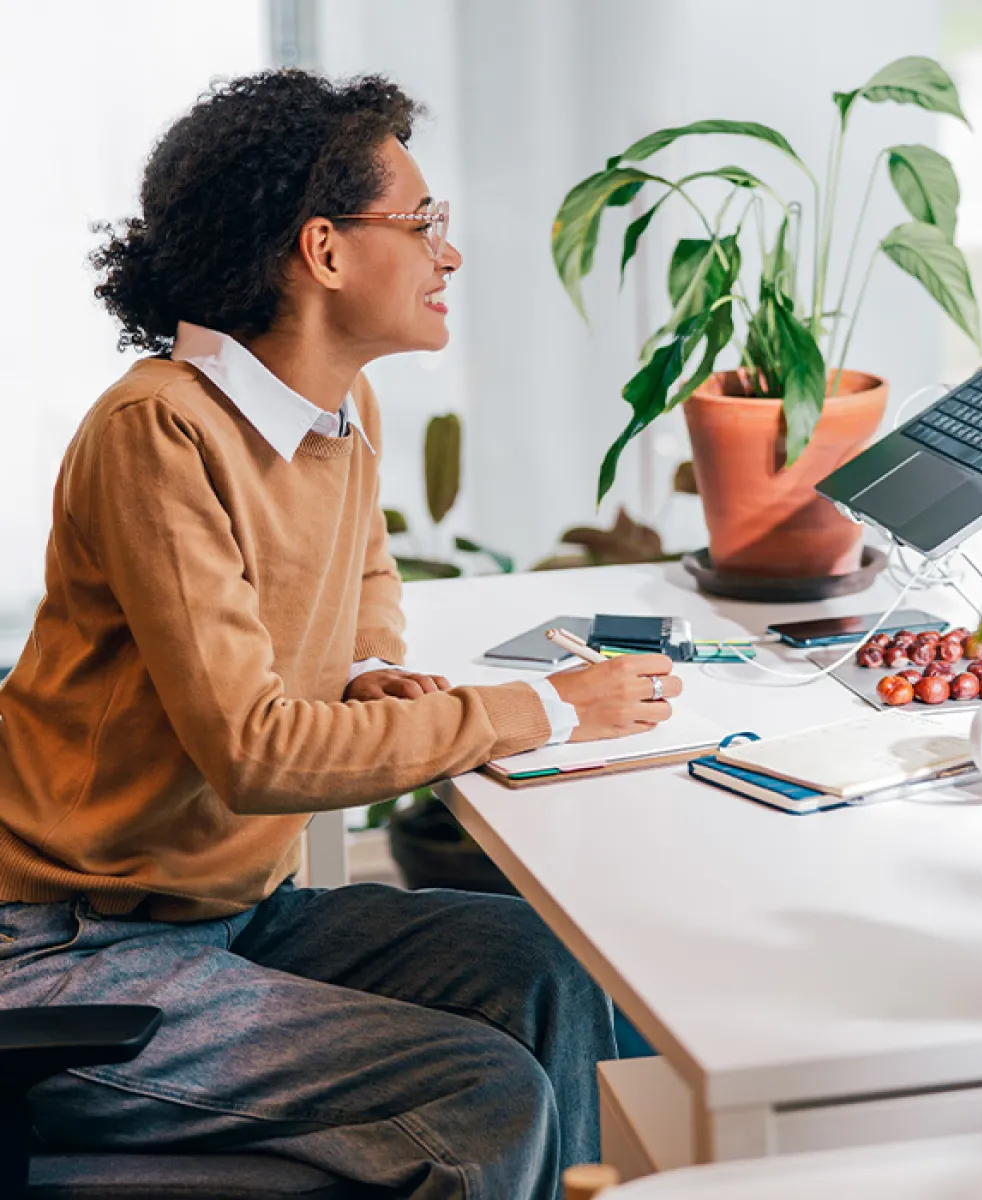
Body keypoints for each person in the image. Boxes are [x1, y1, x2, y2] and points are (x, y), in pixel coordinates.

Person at [0, 69, 682, 1198]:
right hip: (69, 955)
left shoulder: (340, 408)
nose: (446, 256)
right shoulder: (157, 433)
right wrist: (549, 708)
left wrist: (368, 668)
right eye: (423, 225)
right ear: (323, 251)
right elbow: (257, 752)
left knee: (547, 967)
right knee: (482, 1090)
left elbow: (360, 571)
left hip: (230, 915)